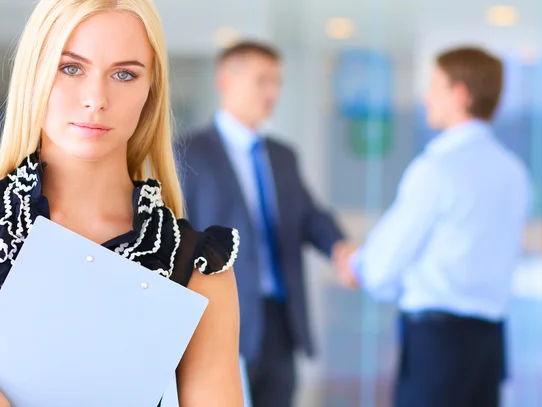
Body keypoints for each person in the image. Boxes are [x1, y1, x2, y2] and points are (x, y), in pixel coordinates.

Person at [0, 0, 243, 406]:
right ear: (34, 74)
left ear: (151, 91)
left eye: (124, 74)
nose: (96, 98)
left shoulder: (199, 269)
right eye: (71, 67)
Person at [336, 47, 531, 407]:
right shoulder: (515, 173)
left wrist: (356, 265)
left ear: (460, 95)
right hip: (490, 345)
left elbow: (384, 264)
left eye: (434, 86)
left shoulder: (438, 168)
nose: (425, 97)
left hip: (438, 346)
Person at [178, 40, 352, 407]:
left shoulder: (282, 155)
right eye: (262, 81)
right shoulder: (188, 152)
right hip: (220, 317)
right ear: (226, 80)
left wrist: (339, 247)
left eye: (277, 82)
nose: (272, 92)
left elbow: (310, 216)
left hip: (280, 321)